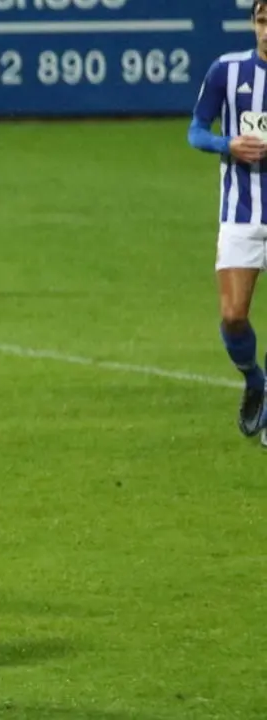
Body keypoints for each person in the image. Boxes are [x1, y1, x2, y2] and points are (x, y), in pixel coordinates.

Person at [188, 0, 267, 441]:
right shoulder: (227, 70)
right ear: (253, 23)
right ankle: (254, 379)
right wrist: (227, 144)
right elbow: (196, 130)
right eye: (262, 21)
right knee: (234, 316)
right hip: (240, 213)